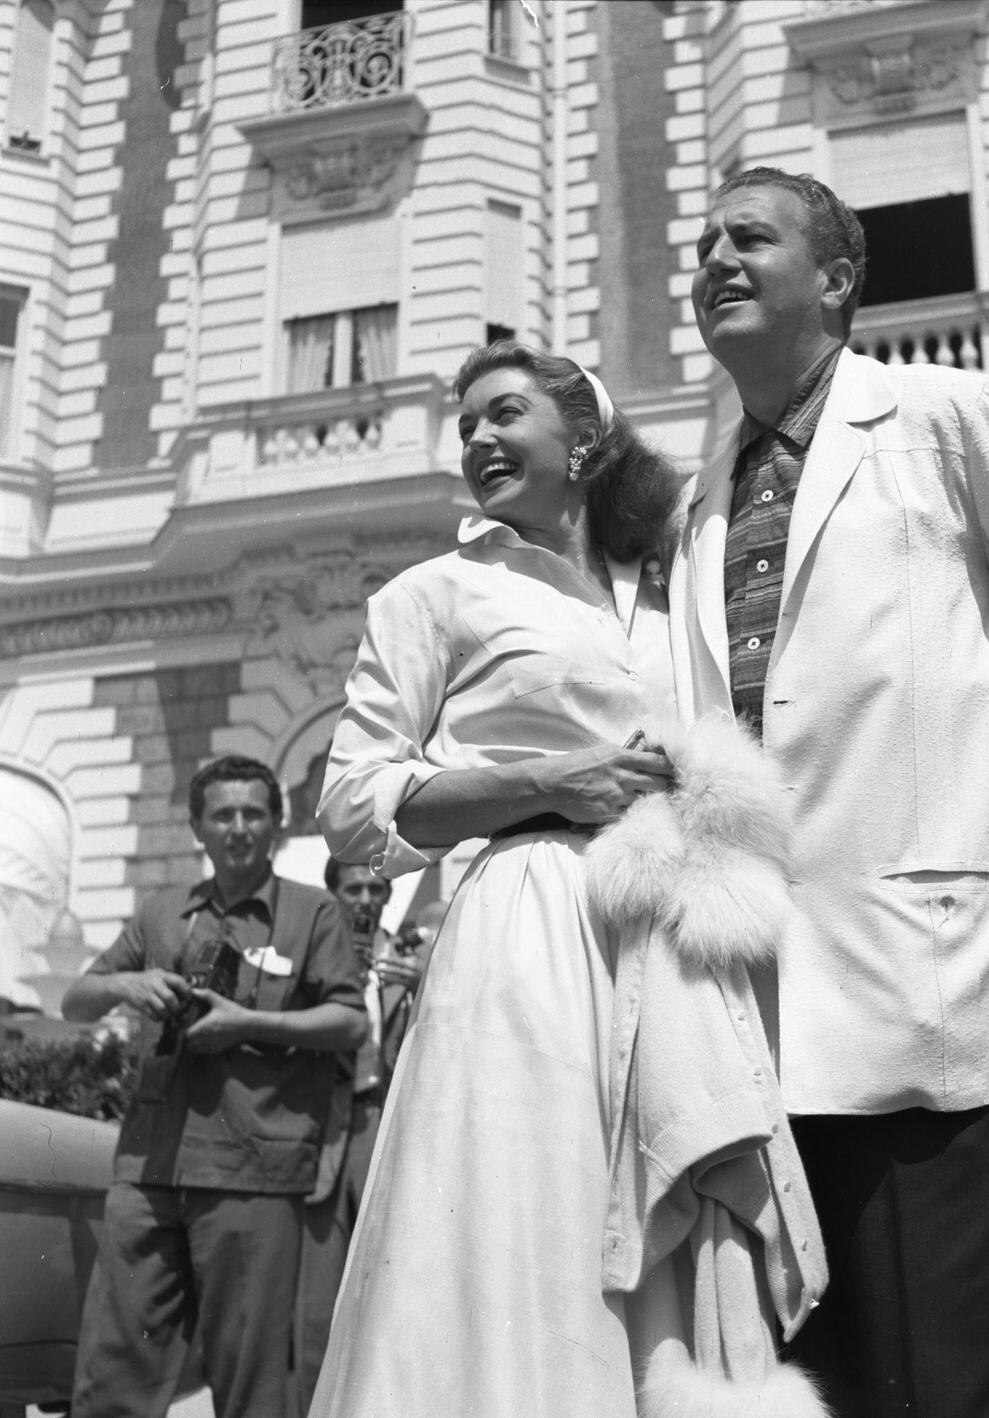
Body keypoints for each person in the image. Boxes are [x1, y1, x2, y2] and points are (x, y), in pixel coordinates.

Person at [670, 166, 989, 1418]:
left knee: (944, 1383)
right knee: (823, 1385)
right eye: (703, 242)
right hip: (761, 1019)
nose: (714, 258)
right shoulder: (701, 496)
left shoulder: (952, 415)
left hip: (931, 993)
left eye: (748, 237)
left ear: (835, 278)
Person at [308, 341, 825, 1416]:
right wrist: (546, 779)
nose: (478, 440)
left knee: (669, 1219)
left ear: (585, 436)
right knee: (529, 1205)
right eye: (467, 427)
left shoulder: (678, 585)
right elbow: (351, 804)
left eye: (504, 413)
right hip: (528, 924)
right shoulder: (434, 594)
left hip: (674, 935)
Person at [60, 755, 367, 1418]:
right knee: (114, 1372)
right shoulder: (163, 913)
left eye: (253, 813)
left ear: (277, 825)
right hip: (149, 1169)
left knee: (251, 1382)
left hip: (253, 1174)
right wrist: (129, 983)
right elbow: (76, 1000)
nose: (238, 828)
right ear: (197, 827)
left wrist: (247, 1023)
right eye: (222, 815)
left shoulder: (313, 913)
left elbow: (349, 1021)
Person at [292, 860, 425, 1417]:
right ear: (333, 893)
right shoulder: (311, 952)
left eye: (376, 889)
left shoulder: (410, 955)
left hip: (379, 1121)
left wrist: (420, 987)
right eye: (354, 889)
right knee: (316, 1301)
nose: (366, 900)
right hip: (322, 1127)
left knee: (387, 1285)